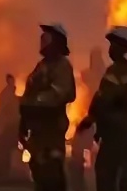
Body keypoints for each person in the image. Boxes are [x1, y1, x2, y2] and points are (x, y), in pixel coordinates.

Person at [77, 26, 127, 191]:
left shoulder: (124, 70)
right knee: (111, 172)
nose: (110, 49)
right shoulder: (115, 70)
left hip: (117, 133)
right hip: (112, 132)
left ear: (122, 46)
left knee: (111, 174)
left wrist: (101, 113)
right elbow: (102, 97)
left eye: (113, 45)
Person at [20, 23, 77, 191]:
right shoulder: (42, 66)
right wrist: (23, 120)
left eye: (47, 36)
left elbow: (59, 94)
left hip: (51, 128)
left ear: (57, 42)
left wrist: (32, 104)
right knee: (38, 171)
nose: (42, 39)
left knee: (51, 171)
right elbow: (29, 92)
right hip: (37, 130)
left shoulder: (62, 66)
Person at [0, 74, 21, 183]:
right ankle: (2, 173)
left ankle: (4, 173)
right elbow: (1, 109)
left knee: (7, 150)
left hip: (11, 126)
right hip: (7, 127)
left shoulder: (12, 97)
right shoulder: (6, 96)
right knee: (4, 150)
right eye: (11, 82)